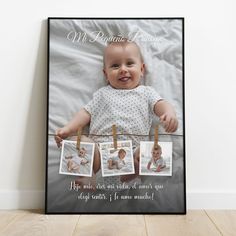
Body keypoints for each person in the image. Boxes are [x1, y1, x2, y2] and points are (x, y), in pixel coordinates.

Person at [55, 38, 178, 183]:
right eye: (115, 66)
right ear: (106, 74)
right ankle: (88, 178)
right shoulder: (101, 94)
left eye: (130, 63)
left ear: (142, 69)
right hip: (100, 154)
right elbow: (85, 113)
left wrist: (169, 113)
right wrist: (68, 129)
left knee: (149, 150)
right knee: (78, 142)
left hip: (132, 150)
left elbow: (161, 104)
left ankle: (134, 168)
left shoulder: (146, 92)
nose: (123, 69)